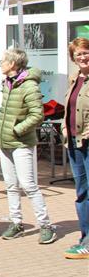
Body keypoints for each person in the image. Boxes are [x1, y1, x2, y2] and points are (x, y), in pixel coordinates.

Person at [0, 48, 55, 244]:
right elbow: (7, 110)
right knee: (11, 186)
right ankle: (16, 223)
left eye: (4, 60)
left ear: (12, 64)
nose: (1, 63)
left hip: (21, 143)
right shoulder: (8, 83)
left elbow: (38, 115)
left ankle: (45, 225)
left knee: (29, 185)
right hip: (5, 142)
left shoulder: (29, 86)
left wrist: (17, 129)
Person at [62, 37, 89, 259]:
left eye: (86, 52)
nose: (83, 57)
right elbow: (68, 109)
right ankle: (85, 236)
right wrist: (63, 128)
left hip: (88, 141)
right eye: (78, 54)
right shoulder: (74, 79)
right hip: (73, 142)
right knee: (81, 193)